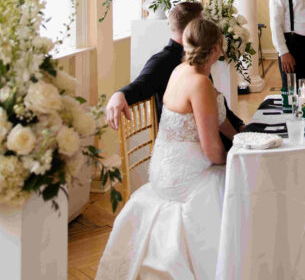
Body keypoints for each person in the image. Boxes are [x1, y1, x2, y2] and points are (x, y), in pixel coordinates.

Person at [96, 19, 231, 280]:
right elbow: (211, 149)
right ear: (216, 48)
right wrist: (233, 158)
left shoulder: (179, 70)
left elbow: (216, 121)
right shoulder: (200, 83)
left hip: (161, 168)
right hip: (185, 177)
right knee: (232, 182)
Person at [105, 2, 243, 143]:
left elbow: (216, 104)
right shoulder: (163, 61)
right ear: (194, 27)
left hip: (210, 133)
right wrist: (119, 95)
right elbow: (140, 86)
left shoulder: (198, 55)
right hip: (195, 143)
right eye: (202, 22)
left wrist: (239, 125)